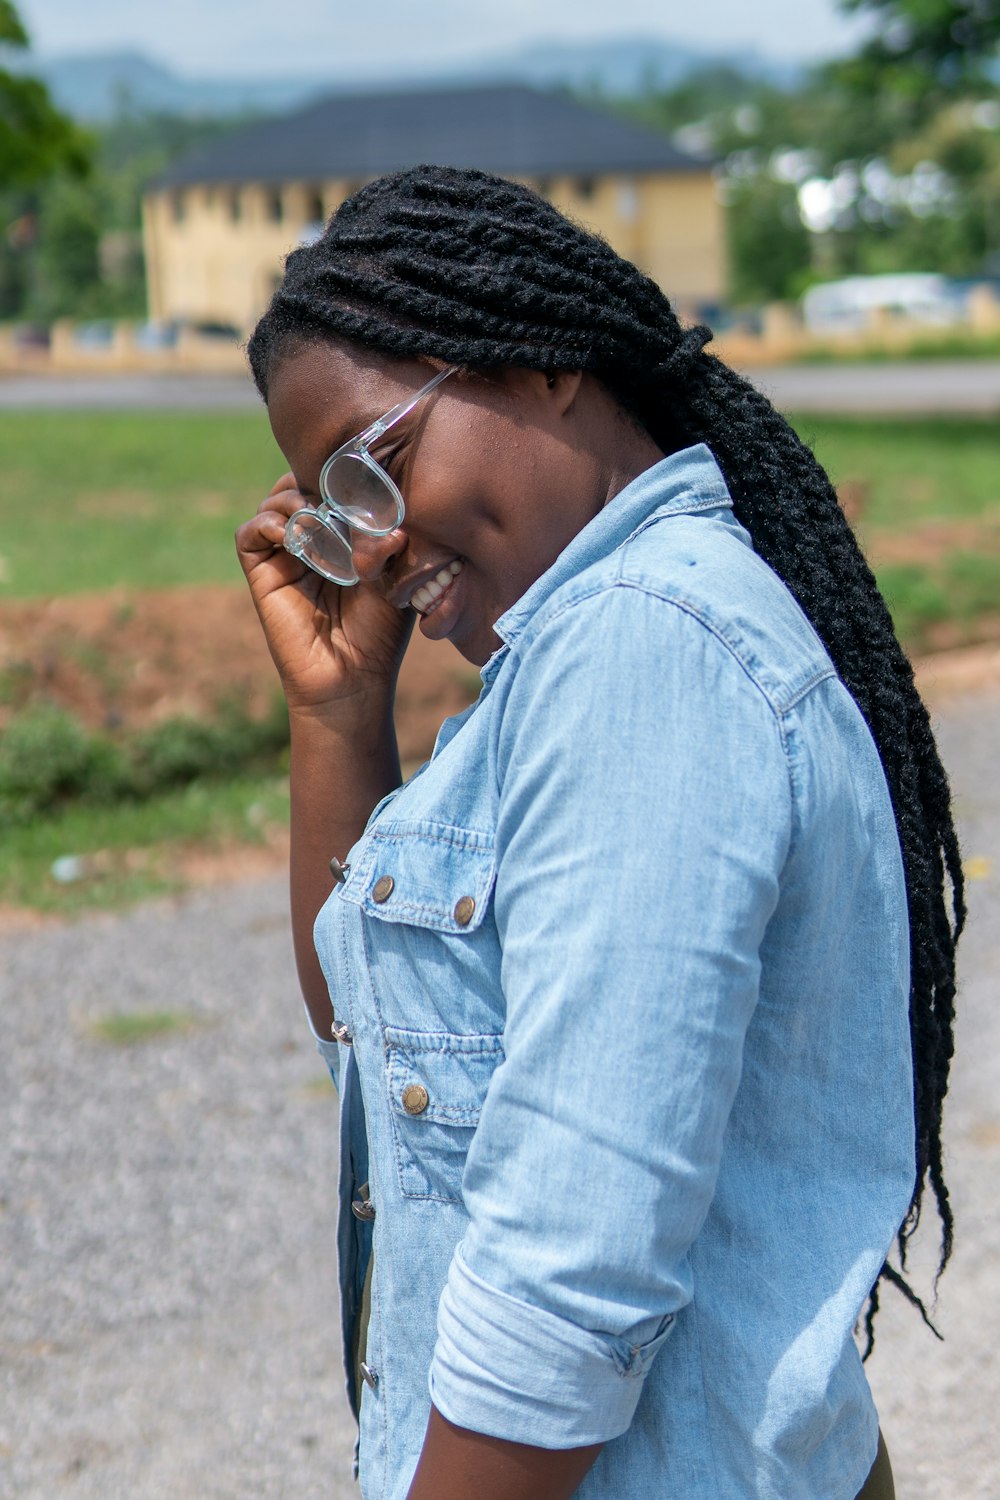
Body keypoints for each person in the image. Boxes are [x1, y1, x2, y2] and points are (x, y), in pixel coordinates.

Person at [235, 166, 963, 1500]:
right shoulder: (573, 662)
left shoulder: (641, 649)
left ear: (543, 365)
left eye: (375, 469)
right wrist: (341, 713)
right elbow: (372, 1028)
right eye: (341, 518)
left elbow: (571, 1275)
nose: (379, 547)